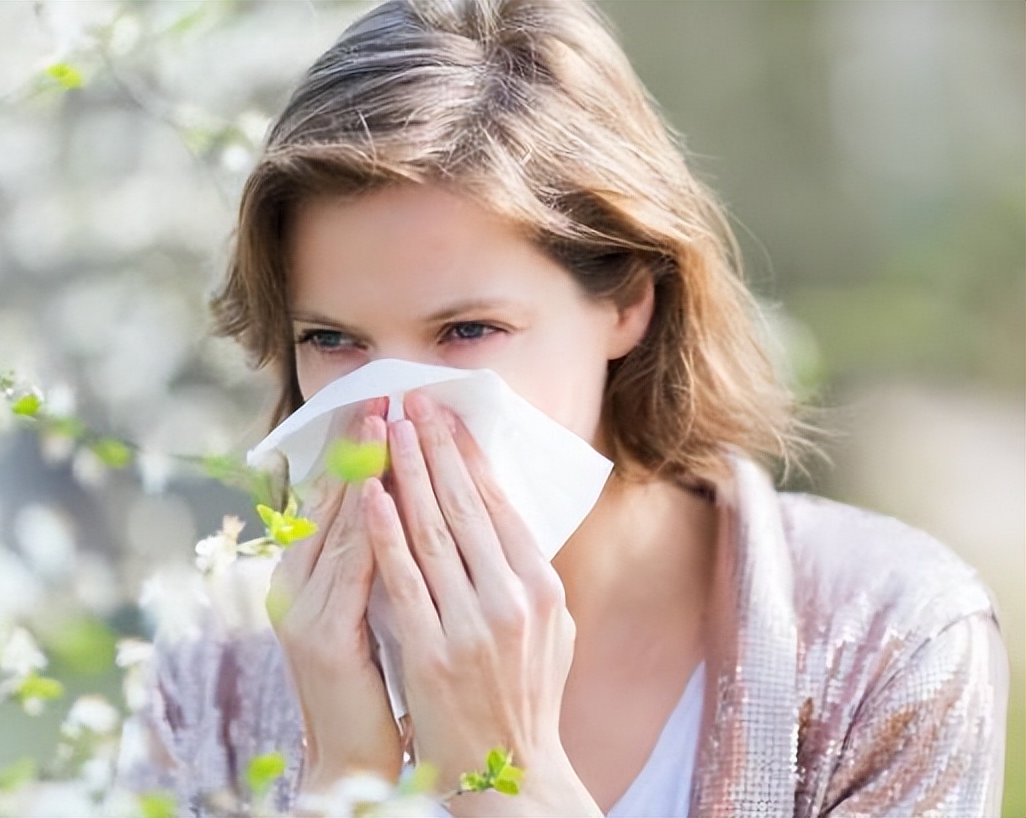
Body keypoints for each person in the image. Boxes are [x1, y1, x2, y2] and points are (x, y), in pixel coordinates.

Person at [122, 0, 1008, 815]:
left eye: (467, 329)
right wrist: (346, 781)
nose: (388, 413)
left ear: (628, 300)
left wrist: (507, 774)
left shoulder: (887, 642)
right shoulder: (214, 673)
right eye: (333, 340)